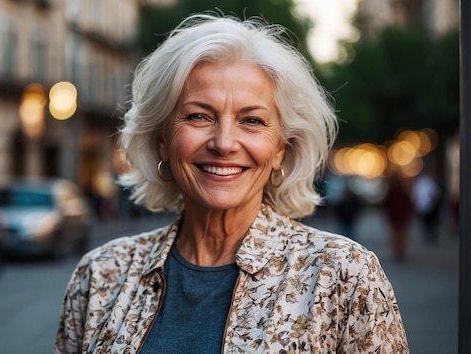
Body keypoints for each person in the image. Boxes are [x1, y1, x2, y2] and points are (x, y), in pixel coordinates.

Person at [56, 13, 408, 353]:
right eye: (198, 116)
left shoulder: (343, 274)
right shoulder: (102, 273)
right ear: (162, 139)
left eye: (252, 120)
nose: (224, 143)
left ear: (279, 150)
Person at [383, 173, 414, 262]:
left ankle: (399, 250)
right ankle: (400, 250)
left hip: (397, 218)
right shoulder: (402, 191)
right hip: (400, 218)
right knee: (401, 235)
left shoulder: (393, 191)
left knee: (397, 235)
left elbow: (386, 204)